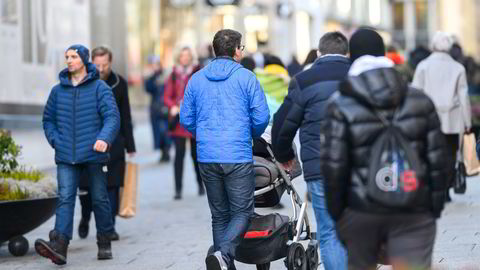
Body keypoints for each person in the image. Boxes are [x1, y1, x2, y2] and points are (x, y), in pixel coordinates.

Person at [320, 28, 450, 269]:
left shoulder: (339, 105)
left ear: (352, 57)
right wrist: (432, 206)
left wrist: (339, 214)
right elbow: (438, 160)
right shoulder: (420, 100)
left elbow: (333, 167)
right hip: (413, 208)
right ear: (384, 55)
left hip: (360, 210)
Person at [180, 29, 270, 270]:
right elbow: (261, 116)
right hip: (237, 154)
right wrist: (248, 135)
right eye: (242, 47)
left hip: (207, 156)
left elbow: (186, 118)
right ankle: (224, 254)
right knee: (243, 212)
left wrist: (204, 136)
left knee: (219, 215)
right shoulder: (246, 78)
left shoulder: (196, 78)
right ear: (236, 51)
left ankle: (223, 263)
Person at [271, 31, 350, 270]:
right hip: (359, 164)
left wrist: (284, 156)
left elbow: (282, 125)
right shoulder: (359, 75)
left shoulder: (304, 80)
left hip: (320, 166)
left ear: (318, 53)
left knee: (328, 231)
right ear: (347, 53)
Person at [36, 44, 120, 264]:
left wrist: (104, 138)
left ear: (84, 59)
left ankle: (104, 241)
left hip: (94, 154)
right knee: (65, 198)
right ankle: (60, 247)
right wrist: (55, 140)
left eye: (73, 56)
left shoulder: (100, 88)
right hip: (66, 155)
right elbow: (48, 120)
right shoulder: (57, 91)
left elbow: (112, 117)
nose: (69, 60)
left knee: (99, 198)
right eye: (67, 57)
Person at [78, 46, 136, 241]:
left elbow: (125, 115)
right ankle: (85, 217)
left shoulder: (120, 83)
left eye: (105, 64)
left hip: (114, 141)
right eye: (97, 64)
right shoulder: (83, 82)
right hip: (88, 141)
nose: (101, 69)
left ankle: (109, 226)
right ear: (91, 63)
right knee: (86, 186)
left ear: (110, 63)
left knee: (113, 184)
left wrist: (131, 145)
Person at [412, 31, 472, 201]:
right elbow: (463, 97)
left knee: (430, 154)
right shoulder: (458, 68)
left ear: (433, 45)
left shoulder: (423, 66)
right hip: (452, 119)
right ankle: (446, 190)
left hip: (428, 118)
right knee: (450, 156)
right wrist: (467, 122)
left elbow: (416, 94)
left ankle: (434, 189)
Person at [164, 47, 203, 200]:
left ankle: (201, 185)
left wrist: (186, 105)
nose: (185, 58)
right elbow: (167, 96)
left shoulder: (198, 73)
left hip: (194, 119)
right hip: (178, 121)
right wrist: (173, 105)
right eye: (182, 56)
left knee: (196, 155)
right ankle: (178, 189)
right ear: (178, 57)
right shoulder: (174, 74)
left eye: (187, 56)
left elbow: (201, 93)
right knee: (178, 156)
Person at [144, 55, 171, 162]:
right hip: (155, 108)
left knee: (165, 130)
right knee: (157, 132)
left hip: (165, 106)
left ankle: (166, 150)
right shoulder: (151, 77)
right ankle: (162, 151)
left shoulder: (166, 75)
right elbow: (148, 89)